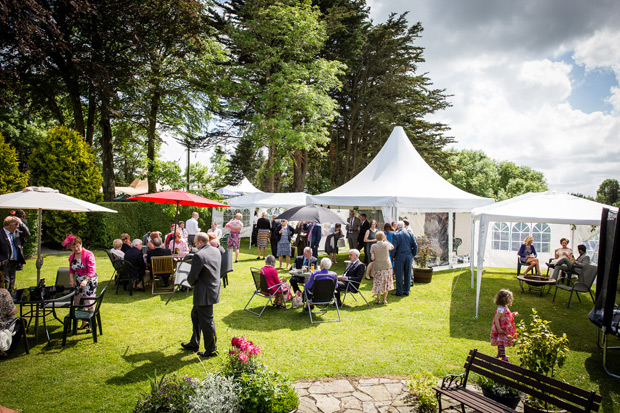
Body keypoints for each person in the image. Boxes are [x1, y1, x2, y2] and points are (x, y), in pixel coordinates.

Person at [181, 232, 223, 358]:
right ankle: (194, 343)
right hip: (212, 288)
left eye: (194, 243)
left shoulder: (199, 255)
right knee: (195, 315)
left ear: (200, 242)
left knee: (207, 320)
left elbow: (193, 276)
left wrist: (186, 281)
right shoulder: (216, 250)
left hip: (204, 292)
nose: (194, 245)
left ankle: (211, 349)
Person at [62, 235, 98, 331]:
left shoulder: (88, 254)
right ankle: (84, 321)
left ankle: (92, 324)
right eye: (73, 247)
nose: (76, 249)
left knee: (89, 302)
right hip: (78, 280)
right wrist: (71, 279)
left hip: (90, 280)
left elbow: (92, 270)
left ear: (81, 244)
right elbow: (71, 270)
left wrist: (85, 280)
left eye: (77, 246)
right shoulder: (72, 256)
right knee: (78, 301)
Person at [490, 289, 518, 361]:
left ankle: (500, 354)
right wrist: (499, 329)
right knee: (501, 341)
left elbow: (505, 316)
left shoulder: (504, 307)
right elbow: (496, 318)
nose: (511, 299)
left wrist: (512, 314)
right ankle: (503, 357)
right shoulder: (501, 309)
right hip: (501, 328)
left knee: (501, 341)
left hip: (504, 327)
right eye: (510, 298)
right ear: (504, 299)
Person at [391, 221, 417, 297]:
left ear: (397, 227)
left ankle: (399, 291)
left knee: (399, 274)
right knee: (408, 273)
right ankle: (407, 290)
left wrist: (393, 256)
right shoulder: (410, 234)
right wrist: (412, 254)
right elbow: (415, 246)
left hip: (400, 256)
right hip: (408, 256)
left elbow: (393, 247)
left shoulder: (396, 234)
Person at [0, 216, 26, 290]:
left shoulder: (16, 232)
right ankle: (5, 297)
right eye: (15, 224)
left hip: (14, 261)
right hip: (4, 262)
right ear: (10, 225)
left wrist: (21, 223)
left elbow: (27, 233)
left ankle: (11, 296)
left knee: (12, 281)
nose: (17, 226)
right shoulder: (1, 234)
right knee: (6, 281)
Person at [0, 271, 22, 357]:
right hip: (2, 324)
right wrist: (15, 309)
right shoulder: (3, 293)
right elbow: (11, 311)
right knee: (21, 322)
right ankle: (7, 350)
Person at [371, 232, 395, 304]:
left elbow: (372, 258)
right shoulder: (386, 244)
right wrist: (386, 240)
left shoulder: (373, 246)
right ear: (383, 237)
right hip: (387, 265)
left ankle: (378, 299)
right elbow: (392, 247)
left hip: (378, 265)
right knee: (386, 282)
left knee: (378, 282)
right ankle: (384, 299)